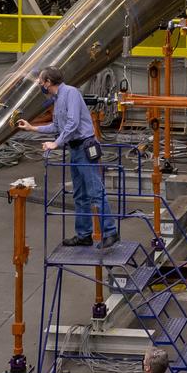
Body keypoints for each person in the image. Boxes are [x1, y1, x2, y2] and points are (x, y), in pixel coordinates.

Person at [16, 66, 118, 247]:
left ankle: (110, 232)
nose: (40, 84)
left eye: (41, 81)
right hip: (75, 150)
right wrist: (32, 127)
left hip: (86, 148)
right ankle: (84, 234)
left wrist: (56, 143)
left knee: (95, 191)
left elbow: (73, 123)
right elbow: (57, 126)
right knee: (79, 194)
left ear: (48, 82)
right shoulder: (57, 99)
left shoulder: (71, 93)